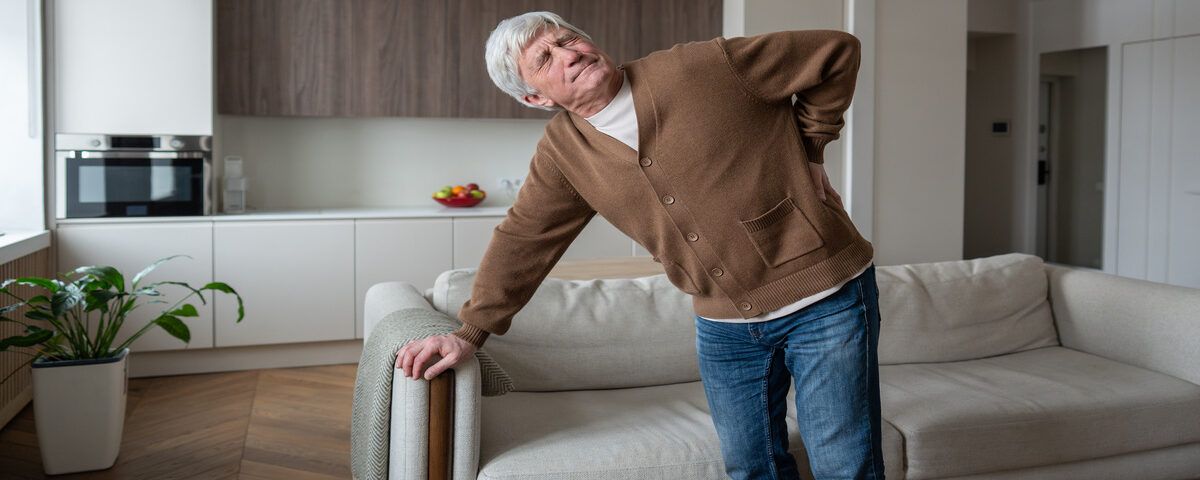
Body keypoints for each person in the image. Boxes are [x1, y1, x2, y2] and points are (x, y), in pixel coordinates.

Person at [396, 11, 884, 480]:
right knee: (751, 468)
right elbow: (524, 239)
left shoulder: (703, 66)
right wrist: (469, 333)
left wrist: (811, 149)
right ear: (534, 99)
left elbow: (837, 51)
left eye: (566, 40)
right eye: (544, 59)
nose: (568, 54)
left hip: (826, 298)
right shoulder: (565, 154)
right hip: (725, 326)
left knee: (844, 466)